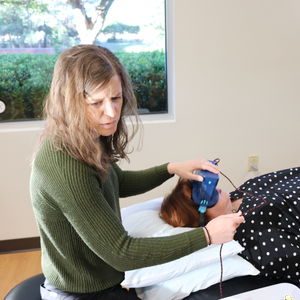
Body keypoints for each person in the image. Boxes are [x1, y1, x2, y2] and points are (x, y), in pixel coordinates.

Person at [30, 44, 245, 300]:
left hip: (103, 283)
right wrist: (207, 236)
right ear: (71, 104)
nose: (111, 113)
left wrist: (171, 169)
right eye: (96, 102)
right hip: (81, 294)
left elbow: (118, 181)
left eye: (116, 98)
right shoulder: (66, 166)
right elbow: (120, 253)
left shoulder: (84, 137)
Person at [160, 167, 300, 286]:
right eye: (203, 194)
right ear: (200, 217)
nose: (213, 189)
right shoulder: (255, 236)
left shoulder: (236, 195)